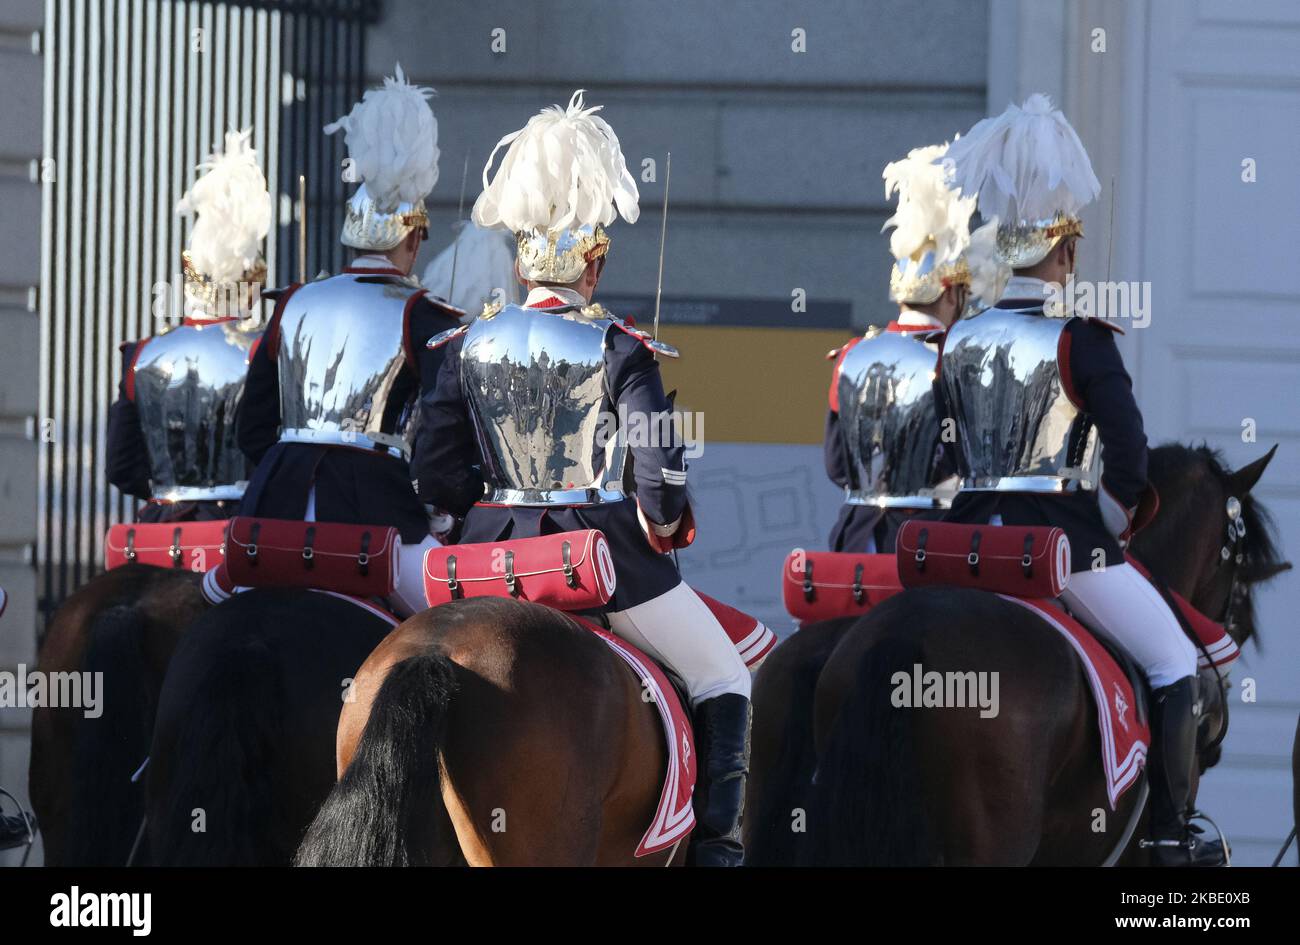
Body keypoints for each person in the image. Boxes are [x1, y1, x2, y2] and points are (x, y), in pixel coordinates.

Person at [416, 91, 751, 866]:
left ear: (522, 256)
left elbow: (434, 466)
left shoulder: (467, 342)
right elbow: (658, 476)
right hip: (598, 557)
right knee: (722, 672)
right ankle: (718, 848)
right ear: (593, 261)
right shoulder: (619, 345)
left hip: (487, 559)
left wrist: (472, 519)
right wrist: (664, 525)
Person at [939, 94, 1221, 865]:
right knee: (1172, 664)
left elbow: (942, 456)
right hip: (1058, 545)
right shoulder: (1084, 340)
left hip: (961, 545)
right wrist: (1105, 521)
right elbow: (1129, 462)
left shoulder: (959, 337)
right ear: (1063, 255)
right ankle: (1168, 836)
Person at [226, 65, 461, 615]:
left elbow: (253, 427)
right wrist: (442, 508)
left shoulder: (292, 302)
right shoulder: (423, 314)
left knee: (205, 610)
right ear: (412, 234)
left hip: (272, 513)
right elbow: (441, 440)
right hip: (374, 516)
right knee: (456, 627)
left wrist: (293, 465)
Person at [824, 142, 1006, 552]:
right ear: (950, 295)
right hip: (932, 546)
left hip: (855, 543)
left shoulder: (852, 355)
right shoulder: (961, 365)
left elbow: (836, 466)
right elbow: (978, 474)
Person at [106, 129, 270, 523]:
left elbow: (121, 466)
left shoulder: (141, 355)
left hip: (161, 524)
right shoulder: (262, 352)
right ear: (250, 286)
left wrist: (169, 491)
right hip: (241, 529)